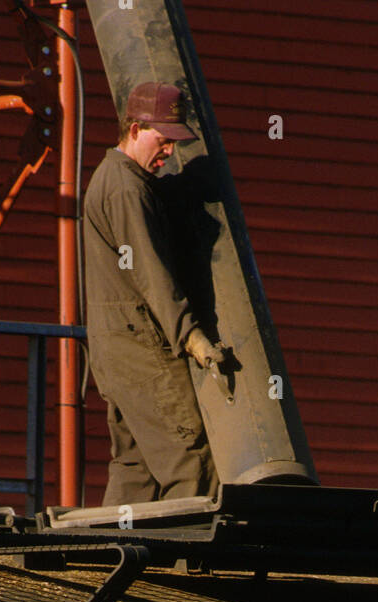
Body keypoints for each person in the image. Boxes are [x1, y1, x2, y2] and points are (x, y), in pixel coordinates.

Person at [83, 81, 224, 505]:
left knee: (136, 468)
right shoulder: (127, 190)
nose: (168, 152)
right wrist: (191, 336)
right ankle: (186, 569)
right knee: (192, 458)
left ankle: (99, 558)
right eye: (163, 141)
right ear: (134, 129)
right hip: (144, 349)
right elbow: (151, 273)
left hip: (115, 352)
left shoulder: (118, 179)